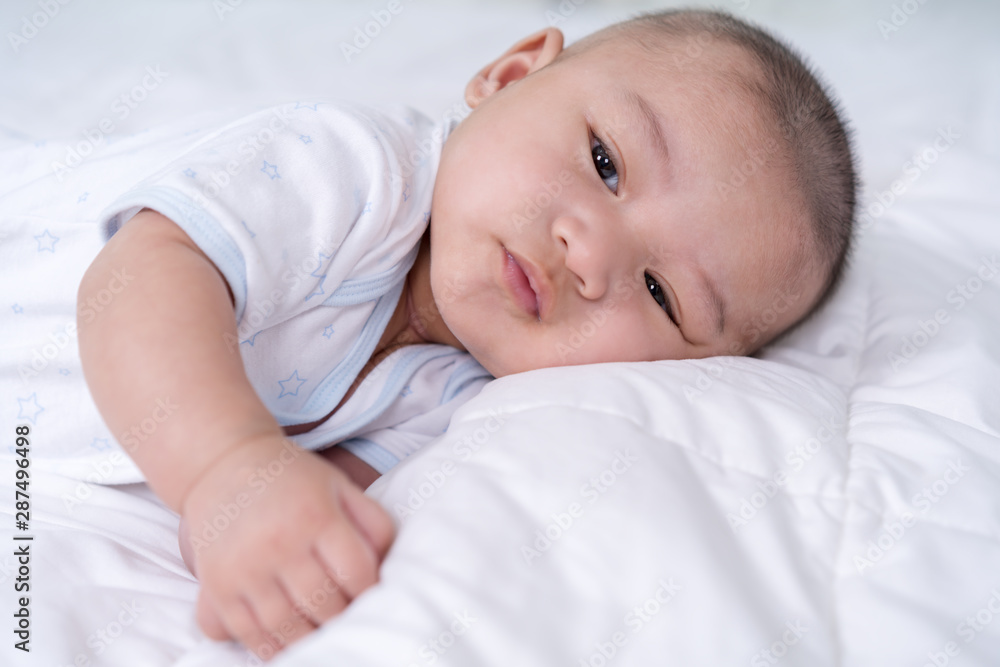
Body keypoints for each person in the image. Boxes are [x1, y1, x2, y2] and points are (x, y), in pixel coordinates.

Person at [77, 8, 856, 660]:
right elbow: (138, 279)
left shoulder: (462, 402)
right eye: (605, 162)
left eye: (660, 292)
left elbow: (260, 523)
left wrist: (276, 547)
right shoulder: (354, 170)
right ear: (510, 77)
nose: (589, 253)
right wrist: (225, 465)